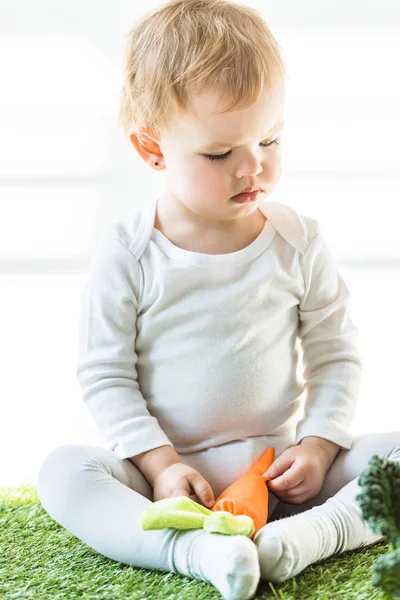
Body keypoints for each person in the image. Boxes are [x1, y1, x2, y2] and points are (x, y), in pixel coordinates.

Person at [37, 1, 400, 599]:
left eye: (270, 138)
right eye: (219, 153)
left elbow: (336, 356)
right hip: (170, 477)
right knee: (63, 472)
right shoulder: (131, 251)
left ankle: (306, 539)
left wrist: (317, 446)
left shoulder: (297, 240)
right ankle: (194, 549)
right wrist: (159, 466)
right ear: (151, 148)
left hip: (282, 470)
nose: (253, 165)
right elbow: (105, 374)